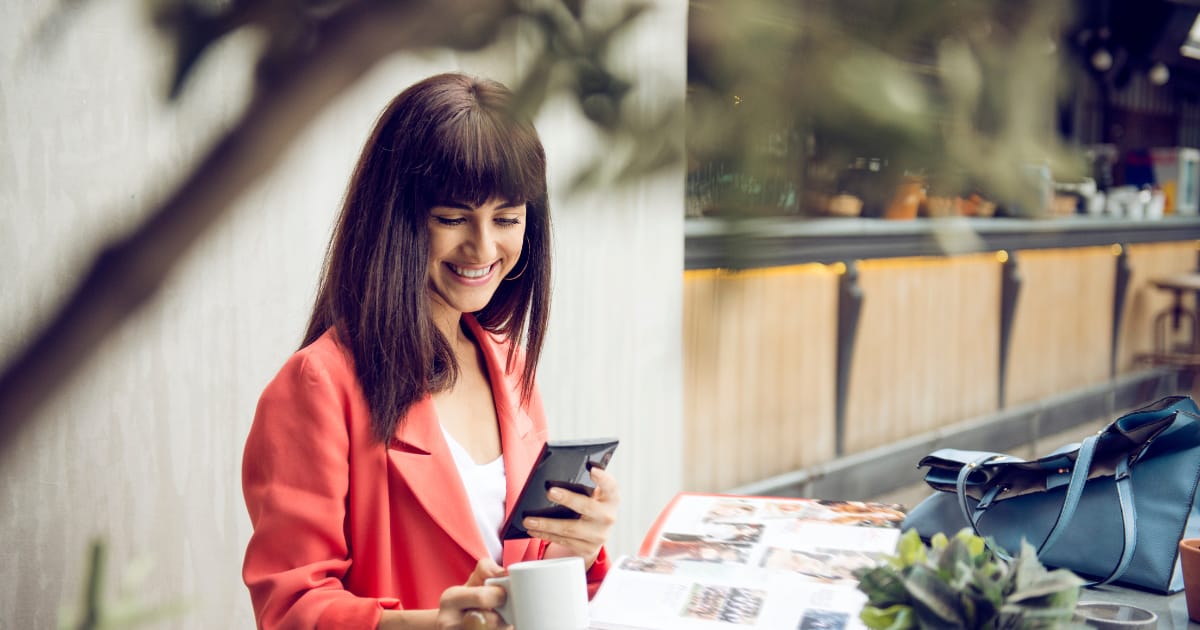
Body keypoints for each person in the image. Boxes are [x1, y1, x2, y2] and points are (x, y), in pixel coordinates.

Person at [241, 72, 619, 630]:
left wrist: (576, 549)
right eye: (452, 218)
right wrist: (424, 626)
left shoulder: (509, 366)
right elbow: (290, 607)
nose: (483, 247)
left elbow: (515, 573)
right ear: (396, 218)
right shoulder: (319, 385)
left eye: (507, 219)